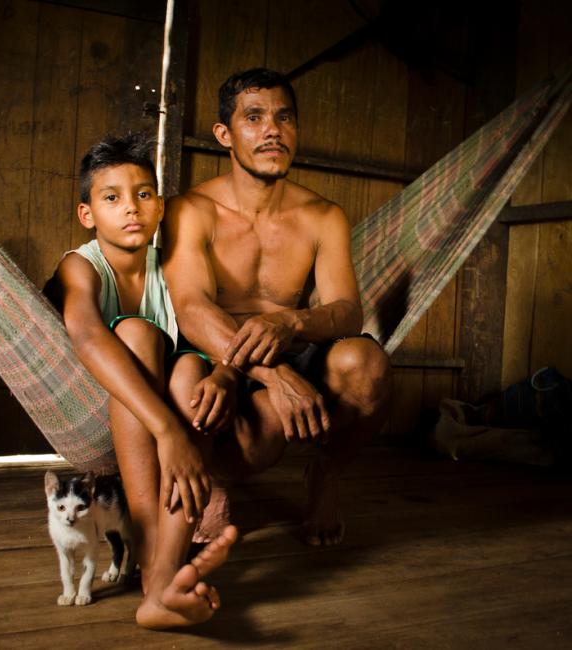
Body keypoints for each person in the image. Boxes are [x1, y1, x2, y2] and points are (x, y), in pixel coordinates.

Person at [162, 68, 392, 547]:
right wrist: (274, 377)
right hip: (216, 351)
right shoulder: (191, 209)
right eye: (254, 117)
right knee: (244, 438)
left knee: (366, 364)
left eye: (284, 118)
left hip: (292, 345)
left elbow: (348, 311)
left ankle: (326, 476)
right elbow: (190, 307)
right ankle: (216, 481)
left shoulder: (323, 216)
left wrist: (291, 320)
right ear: (225, 134)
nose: (273, 130)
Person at [45, 133, 238, 629]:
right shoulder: (80, 267)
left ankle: (161, 579)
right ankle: (155, 564)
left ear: (160, 208)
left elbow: (212, 332)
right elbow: (87, 336)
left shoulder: (174, 268)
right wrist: (167, 432)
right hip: (112, 394)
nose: (131, 208)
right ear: (87, 214)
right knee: (134, 332)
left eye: (144, 194)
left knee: (194, 375)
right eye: (112, 198)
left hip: (175, 392)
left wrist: (223, 374)